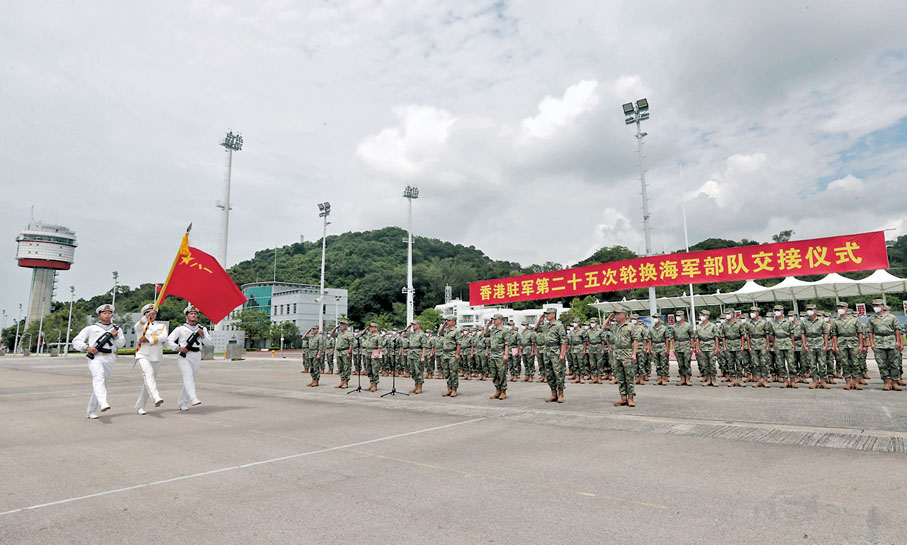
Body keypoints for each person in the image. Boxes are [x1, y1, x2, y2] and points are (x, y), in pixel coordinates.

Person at [72, 303, 126, 419]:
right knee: (98, 378)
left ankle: (91, 411)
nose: (107, 315)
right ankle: (103, 402)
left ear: (112, 315)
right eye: (104, 313)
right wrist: (86, 347)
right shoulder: (91, 328)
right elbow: (76, 341)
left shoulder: (117, 329)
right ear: (99, 315)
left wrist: (115, 336)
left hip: (110, 357)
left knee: (101, 384)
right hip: (96, 357)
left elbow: (121, 344)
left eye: (109, 313)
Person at [166, 303, 210, 410]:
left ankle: (182, 403)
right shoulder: (180, 329)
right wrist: (178, 348)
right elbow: (168, 341)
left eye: (195, 314)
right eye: (191, 314)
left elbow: (208, 342)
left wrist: (202, 335)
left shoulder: (202, 329)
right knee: (188, 376)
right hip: (184, 355)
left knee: (191, 379)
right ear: (187, 316)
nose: (193, 315)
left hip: (196, 355)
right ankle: (193, 398)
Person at [133, 303, 166, 414]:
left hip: (156, 356)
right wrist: (146, 318)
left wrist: (149, 340)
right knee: (148, 375)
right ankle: (156, 397)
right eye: (148, 313)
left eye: (154, 313)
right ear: (144, 314)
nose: (152, 315)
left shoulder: (161, 326)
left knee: (149, 381)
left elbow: (163, 337)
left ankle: (140, 406)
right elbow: (137, 326)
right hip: (143, 354)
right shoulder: (141, 325)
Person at [606, 305, 640, 406]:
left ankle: (630, 398)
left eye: (618, 313)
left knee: (629, 377)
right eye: (615, 314)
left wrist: (634, 354)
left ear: (624, 314)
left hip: (627, 353)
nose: (616, 315)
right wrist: (609, 318)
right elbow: (604, 326)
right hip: (617, 353)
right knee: (620, 377)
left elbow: (635, 340)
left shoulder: (630, 326)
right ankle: (623, 398)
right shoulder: (614, 326)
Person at [868, 299, 903, 391]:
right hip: (879, 342)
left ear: (882, 306)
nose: (876, 307)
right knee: (882, 363)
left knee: (894, 363)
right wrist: (872, 343)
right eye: (874, 305)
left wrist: (898, 341)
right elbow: (870, 331)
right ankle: (887, 382)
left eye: (877, 305)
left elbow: (897, 329)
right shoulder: (872, 319)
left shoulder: (892, 317)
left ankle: (895, 382)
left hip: (891, 340)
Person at [537, 308, 568, 403]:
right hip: (547, 351)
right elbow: (536, 329)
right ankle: (553, 394)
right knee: (549, 373)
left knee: (558, 373)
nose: (546, 315)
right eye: (546, 314)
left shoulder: (559, 325)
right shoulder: (546, 326)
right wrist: (540, 320)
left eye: (548, 314)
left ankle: (561, 394)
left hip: (556, 351)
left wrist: (562, 353)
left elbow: (564, 340)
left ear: (553, 314)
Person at [831, 305, 864, 390]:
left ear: (846, 309)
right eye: (839, 308)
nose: (840, 309)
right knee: (845, 363)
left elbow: (860, 333)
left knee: (855, 362)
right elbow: (834, 335)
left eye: (842, 307)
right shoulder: (836, 322)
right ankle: (848, 382)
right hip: (842, 343)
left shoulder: (854, 320)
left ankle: (856, 382)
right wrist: (835, 346)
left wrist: (861, 345)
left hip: (853, 343)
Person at [801, 304, 830, 389]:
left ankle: (823, 381)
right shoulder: (804, 322)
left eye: (811, 309)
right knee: (812, 364)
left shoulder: (821, 321)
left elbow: (825, 333)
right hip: (809, 343)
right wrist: (804, 345)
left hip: (820, 342)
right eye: (808, 309)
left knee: (822, 363)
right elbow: (803, 334)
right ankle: (815, 381)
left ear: (815, 310)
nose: (809, 311)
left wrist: (826, 345)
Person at [768, 304, 797, 389]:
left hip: (787, 342)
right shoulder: (772, 323)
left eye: (779, 310)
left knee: (791, 363)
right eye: (775, 310)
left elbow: (792, 334)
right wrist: (774, 346)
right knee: (780, 364)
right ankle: (785, 380)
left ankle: (792, 380)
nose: (777, 312)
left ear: (782, 311)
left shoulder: (788, 322)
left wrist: (793, 345)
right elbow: (772, 335)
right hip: (778, 343)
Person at [746, 306, 771, 388]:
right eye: (751, 312)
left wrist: (768, 345)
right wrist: (749, 346)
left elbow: (767, 334)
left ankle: (765, 380)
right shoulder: (748, 323)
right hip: (753, 343)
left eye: (753, 311)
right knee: (755, 363)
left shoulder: (764, 322)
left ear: (758, 313)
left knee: (764, 362)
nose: (752, 313)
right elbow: (747, 335)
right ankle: (758, 380)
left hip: (762, 343)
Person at [438, 317, 462, 397]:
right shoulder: (446, 331)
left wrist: (457, 354)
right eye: (447, 321)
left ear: (453, 322)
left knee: (453, 372)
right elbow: (440, 332)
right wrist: (443, 325)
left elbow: (459, 343)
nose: (447, 322)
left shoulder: (456, 331)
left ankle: (454, 389)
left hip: (452, 353)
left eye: (449, 321)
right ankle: (449, 389)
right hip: (445, 354)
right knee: (447, 372)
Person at [402, 320, 428, 394]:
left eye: (414, 325)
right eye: (412, 325)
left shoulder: (422, 334)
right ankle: (416, 385)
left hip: (418, 353)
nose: (413, 326)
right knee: (412, 371)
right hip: (411, 353)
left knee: (418, 370)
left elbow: (424, 346)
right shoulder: (411, 334)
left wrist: (423, 356)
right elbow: (402, 335)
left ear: (418, 325)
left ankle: (419, 386)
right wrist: (407, 327)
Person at [721, 309, 746, 387]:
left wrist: (742, 346)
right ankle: (733, 379)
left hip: (737, 344)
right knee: (730, 363)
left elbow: (742, 335)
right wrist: (724, 346)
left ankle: (740, 379)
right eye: (726, 313)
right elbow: (723, 336)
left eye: (728, 313)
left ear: (733, 314)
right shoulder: (724, 324)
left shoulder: (739, 323)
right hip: (728, 344)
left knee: (739, 363)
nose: (727, 315)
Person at [330, 319, 354, 389]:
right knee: (340, 367)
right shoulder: (339, 333)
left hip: (345, 351)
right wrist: (335, 328)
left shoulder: (349, 333)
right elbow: (331, 334)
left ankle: (346, 382)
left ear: (346, 325)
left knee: (346, 367)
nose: (341, 326)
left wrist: (349, 352)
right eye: (340, 324)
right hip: (339, 352)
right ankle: (342, 381)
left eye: (343, 324)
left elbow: (351, 344)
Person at [672, 310, 694, 386]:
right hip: (678, 345)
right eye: (677, 316)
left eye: (679, 315)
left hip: (686, 345)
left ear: (682, 316)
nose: (677, 317)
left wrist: (692, 347)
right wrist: (673, 348)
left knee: (687, 363)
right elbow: (672, 338)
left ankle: (688, 379)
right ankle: (682, 379)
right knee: (680, 364)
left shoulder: (688, 325)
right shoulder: (674, 326)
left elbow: (692, 336)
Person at [649, 315, 670, 385]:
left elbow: (667, 339)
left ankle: (664, 378)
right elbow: (650, 339)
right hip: (655, 346)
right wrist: (650, 348)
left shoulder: (664, 328)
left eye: (656, 317)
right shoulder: (652, 329)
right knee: (657, 363)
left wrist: (667, 348)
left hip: (662, 345)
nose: (655, 319)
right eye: (654, 318)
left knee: (663, 363)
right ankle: (659, 378)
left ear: (659, 318)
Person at [360, 323, 382, 391]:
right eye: (370, 327)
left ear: (376, 328)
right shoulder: (368, 335)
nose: (370, 328)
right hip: (367, 352)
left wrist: (378, 353)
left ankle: (375, 385)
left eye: (372, 327)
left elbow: (380, 346)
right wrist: (366, 328)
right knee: (368, 369)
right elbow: (361, 334)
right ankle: (371, 384)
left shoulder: (378, 336)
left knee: (375, 369)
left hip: (374, 352)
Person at [587, 319, 606, 384]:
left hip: (598, 347)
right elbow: (588, 341)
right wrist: (588, 349)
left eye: (593, 322)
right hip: (591, 347)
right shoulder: (589, 331)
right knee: (592, 364)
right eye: (591, 322)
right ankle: (594, 377)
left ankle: (599, 378)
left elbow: (603, 340)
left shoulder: (600, 331)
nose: (591, 324)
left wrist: (602, 349)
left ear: (596, 323)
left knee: (599, 363)